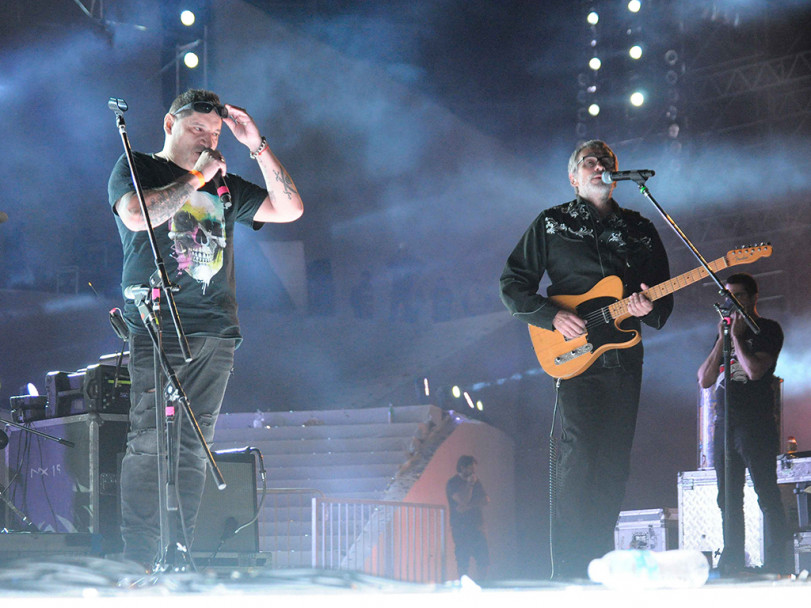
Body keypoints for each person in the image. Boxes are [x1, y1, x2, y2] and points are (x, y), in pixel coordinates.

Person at [108, 89, 303, 570]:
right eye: (199, 129)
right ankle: (139, 557)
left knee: (194, 446)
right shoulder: (138, 167)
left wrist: (256, 144)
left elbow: (290, 208)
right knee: (150, 441)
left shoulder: (228, 186)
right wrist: (196, 176)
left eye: (216, 134)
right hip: (156, 325)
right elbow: (137, 215)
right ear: (170, 124)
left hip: (215, 330)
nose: (209, 139)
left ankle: (178, 555)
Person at [499, 140, 673, 579]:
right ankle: (570, 572)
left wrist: (648, 307)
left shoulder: (640, 228)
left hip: (624, 359)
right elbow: (512, 283)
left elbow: (661, 295)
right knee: (579, 459)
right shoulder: (552, 224)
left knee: (614, 463)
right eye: (589, 162)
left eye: (607, 162)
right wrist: (552, 315)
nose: (600, 167)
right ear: (574, 178)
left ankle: (598, 565)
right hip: (575, 359)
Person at [697, 273, 790, 574]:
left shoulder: (767, 330)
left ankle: (778, 561)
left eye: (736, 295)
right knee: (727, 497)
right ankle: (733, 560)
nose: (729, 301)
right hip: (725, 422)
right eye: (726, 295)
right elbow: (704, 379)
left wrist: (736, 337)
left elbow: (754, 371)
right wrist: (723, 338)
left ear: (752, 298)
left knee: (766, 492)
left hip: (756, 422)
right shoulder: (724, 331)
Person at [446, 455, 490, 579]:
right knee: (463, 559)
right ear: (462, 468)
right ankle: (464, 587)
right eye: (471, 469)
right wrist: (469, 485)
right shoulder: (453, 483)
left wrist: (469, 506)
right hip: (461, 528)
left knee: (483, 559)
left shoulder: (476, 481)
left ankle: (483, 585)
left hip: (477, 526)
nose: (473, 472)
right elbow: (462, 500)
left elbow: (486, 500)